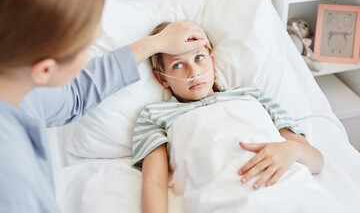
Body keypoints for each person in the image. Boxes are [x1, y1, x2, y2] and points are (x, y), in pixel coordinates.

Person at [0, 0, 210, 212]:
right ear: (45, 70)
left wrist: (157, 43)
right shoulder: (13, 181)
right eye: (85, 47)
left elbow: (77, 93)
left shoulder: (19, 84)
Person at [131, 22, 324, 213]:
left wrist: (292, 150)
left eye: (199, 57)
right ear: (162, 78)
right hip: (223, 198)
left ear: (212, 61)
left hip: (287, 189)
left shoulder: (252, 96)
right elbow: (154, 181)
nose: (194, 72)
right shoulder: (154, 115)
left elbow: (317, 161)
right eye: (178, 65)